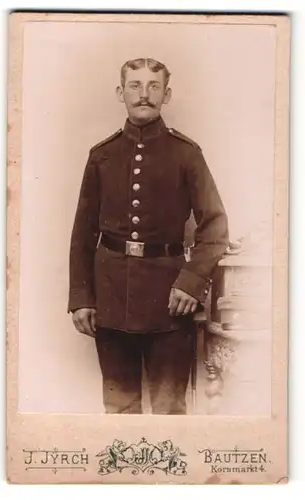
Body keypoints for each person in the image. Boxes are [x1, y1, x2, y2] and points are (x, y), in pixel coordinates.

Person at [68, 57, 229, 415]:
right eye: (135, 85)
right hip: (110, 298)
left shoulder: (186, 154)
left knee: (170, 407)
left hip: (170, 300)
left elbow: (215, 226)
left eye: (154, 86)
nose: (144, 95)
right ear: (120, 92)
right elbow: (82, 233)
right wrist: (81, 296)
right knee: (119, 405)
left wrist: (191, 282)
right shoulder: (102, 156)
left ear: (166, 95)